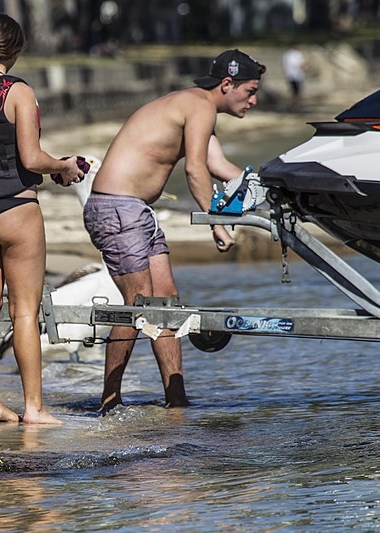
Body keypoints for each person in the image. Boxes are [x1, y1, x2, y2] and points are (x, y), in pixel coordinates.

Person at [83, 49, 265, 412]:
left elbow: (220, 166)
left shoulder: (198, 109)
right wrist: (217, 224)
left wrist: (273, 188)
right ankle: (108, 402)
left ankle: (176, 400)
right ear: (227, 84)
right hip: (117, 208)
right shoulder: (198, 106)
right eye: (250, 90)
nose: (255, 100)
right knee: (137, 306)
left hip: (137, 211)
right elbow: (195, 170)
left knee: (166, 300)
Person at [0, 13, 84, 424]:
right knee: (24, 312)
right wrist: (63, 165)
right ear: (16, 49)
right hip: (14, 209)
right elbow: (30, 158)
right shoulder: (18, 92)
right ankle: (33, 408)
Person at [282, 44, 305, 111]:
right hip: (294, 76)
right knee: (296, 92)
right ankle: (295, 106)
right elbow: (299, 65)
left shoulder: (288, 55)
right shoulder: (293, 55)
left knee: (296, 92)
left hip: (294, 75)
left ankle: (295, 105)